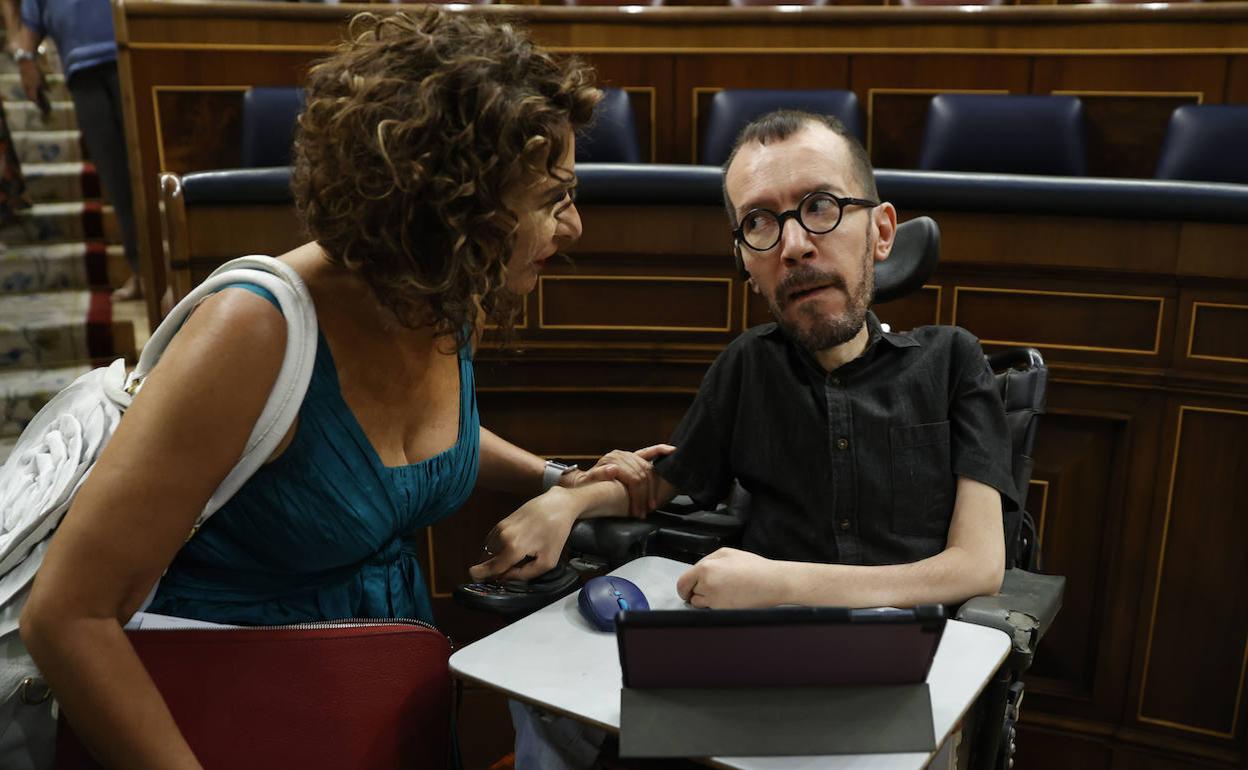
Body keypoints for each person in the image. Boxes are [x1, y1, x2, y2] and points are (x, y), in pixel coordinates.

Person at [19, 10, 658, 770]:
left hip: (377, 701)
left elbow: (405, 444)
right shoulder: (254, 332)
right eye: (553, 199)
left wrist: (557, 478)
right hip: (226, 725)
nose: (576, 226)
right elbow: (66, 617)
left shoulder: (438, 294)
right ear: (456, 206)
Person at [508, 109, 1020, 770]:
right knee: (548, 702)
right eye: (760, 222)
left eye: (820, 206)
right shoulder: (748, 366)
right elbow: (655, 483)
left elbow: (978, 566)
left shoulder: (953, 361)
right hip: (762, 663)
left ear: (882, 231)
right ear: (746, 262)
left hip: (908, 674)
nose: (795, 244)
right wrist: (565, 501)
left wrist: (778, 583)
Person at [14, 0, 142, 301]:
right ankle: (141, 272)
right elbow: (30, 25)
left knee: (149, 167)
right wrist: (25, 60)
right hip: (82, 75)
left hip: (131, 55)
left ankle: (169, 268)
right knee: (116, 179)